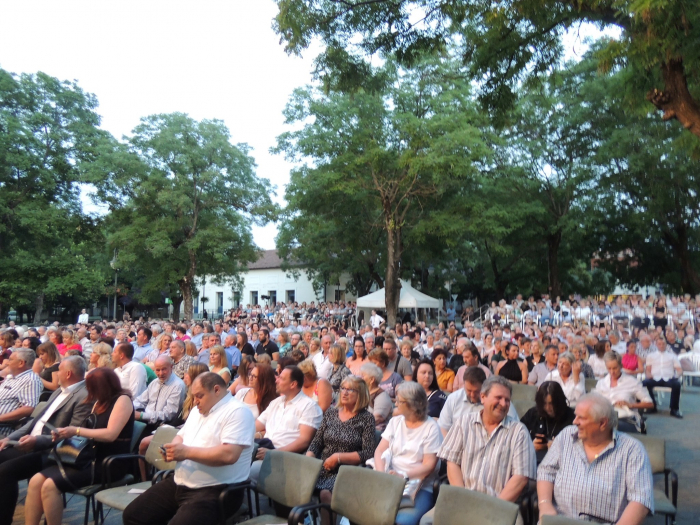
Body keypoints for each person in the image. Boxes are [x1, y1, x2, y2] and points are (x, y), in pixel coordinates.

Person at [123, 373, 256, 525]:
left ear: (217, 390)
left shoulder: (238, 412)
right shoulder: (197, 410)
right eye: (193, 396)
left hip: (216, 489)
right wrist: (173, 448)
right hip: (180, 482)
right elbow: (181, 436)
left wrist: (185, 452)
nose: (195, 401)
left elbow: (229, 455)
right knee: (133, 515)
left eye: (199, 396)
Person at [25, 367, 134, 525]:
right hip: (87, 457)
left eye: (92, 387)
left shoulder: (122, 400)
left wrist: (76, 430)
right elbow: (88, 431)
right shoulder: (99, 401)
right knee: (36, 481)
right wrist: (66, 433)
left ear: (102, 387)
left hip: (109, 462)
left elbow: (111, 434)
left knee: (50, 486)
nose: (89, 391)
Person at [0, 356, 91, 525]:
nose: (56, 374)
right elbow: (33, 423)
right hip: (30, 442)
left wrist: (37, 440)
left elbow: (72, 434)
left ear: (68, 373)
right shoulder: (58, 391)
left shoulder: (84, 396)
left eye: (59, 371)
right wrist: (8, 438)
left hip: (50, 451)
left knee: (5, 471)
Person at [537, 393, 653, 525]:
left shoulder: (632, 450)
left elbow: (640, 500)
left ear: (602, 423)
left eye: (581, 418)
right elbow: (546, 471)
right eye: (576, 416)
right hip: (560, 520)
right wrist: (544, 504)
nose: (575, 422)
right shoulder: (565, 436)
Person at [438, 376, 536, 523]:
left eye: (507, 400)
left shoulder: (519, 431)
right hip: (464, 500)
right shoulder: (464, 422)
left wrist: (491, 508)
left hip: (502, 505)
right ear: (483, 397)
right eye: (498, 398)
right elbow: (452, 462)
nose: (503, 404)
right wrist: (462, 498)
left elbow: (520, 478)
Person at [306, 375, 376, 525]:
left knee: (326, 493)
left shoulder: (366, 418)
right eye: (343, 388)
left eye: (350, 390)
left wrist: (338, 457)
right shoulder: (331, 413)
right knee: (293, 479)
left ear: (361, 394)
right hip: (322, 466)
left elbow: (368, 452)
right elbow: (317, 442)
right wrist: (309, 457)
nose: (344, 393)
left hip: (347, 470)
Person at [374, 382, 443, 525]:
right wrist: (382, 474)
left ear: (413, 404)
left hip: (418, 485)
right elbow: (380, 450)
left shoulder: (431, 428)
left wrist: (403, 476)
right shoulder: (395, 422)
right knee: (365, 510)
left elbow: (429, 465)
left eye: (400, 401)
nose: (396, 403)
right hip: (389, 478)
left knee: (403, 522)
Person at [251, 366, 323, 481]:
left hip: (285, 458)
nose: (276, 380)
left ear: (293, 384)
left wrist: (273, 454)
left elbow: (304, 441)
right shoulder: (276, 402)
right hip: (264, 449)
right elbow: (254, 426)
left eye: (281, 378)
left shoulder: (309, 406)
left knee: (249, 472)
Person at [595, 351, 653, 433]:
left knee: (610, 429)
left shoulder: (632, 382)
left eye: (615, 368)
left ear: (621, 366)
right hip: (605, 418)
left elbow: (650, 404)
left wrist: (630, 405)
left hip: (626, 418)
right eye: (609, 368)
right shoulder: (601, 383)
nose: (612, 372)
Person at [520, 381, 575, 464]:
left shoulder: (572, 417)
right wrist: (530, 446)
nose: (547, 407)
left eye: (551, 403)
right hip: (533, 460)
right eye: (544, 403)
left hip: (562, 462)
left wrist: (558, 447)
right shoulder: (533, 413)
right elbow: (518, 438)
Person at [133, 356, 186, 430]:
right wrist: (130, 409)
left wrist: (142, 416)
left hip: (160, 426)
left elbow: (168, 414)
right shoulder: (154, 382)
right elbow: (140, 400)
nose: (161, 373)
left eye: (164, 369)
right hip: (146, 420)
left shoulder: (178, 386)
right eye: (157, 370)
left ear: (171, 367)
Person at [0, 349, 43, 435]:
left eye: (10, 360)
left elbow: (29, 408)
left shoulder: (31, 380)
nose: (7, 363)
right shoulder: (12, 377)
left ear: (21, 363)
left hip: (4, 429)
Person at [643, 337, 683, 418]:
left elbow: (679, 370)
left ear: (666, 344)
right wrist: (648, 374)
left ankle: (674, 409)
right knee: (644, 383)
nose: (661, 346)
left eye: (663, 344)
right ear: (656, 345)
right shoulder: (651, 356)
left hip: (668, 378)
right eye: (659, 344)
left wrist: (676, 376)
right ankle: (652, 406)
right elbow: (647, 370)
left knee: (677, 384)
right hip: (655, 378)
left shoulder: (672, 356)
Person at [360, 362, 393, 431]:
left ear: (372, 380)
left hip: (375, 432)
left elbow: (378, 419)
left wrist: (357, 425)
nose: (360, 378)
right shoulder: (362, 392)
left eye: (363, 376)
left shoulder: (382, 396)